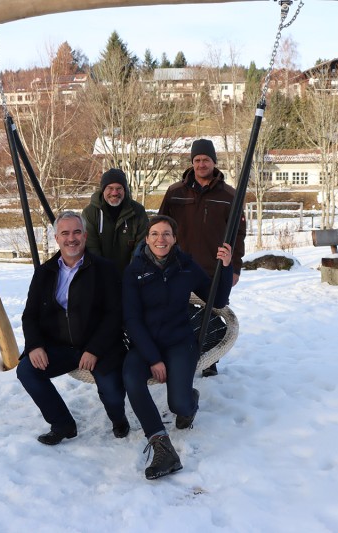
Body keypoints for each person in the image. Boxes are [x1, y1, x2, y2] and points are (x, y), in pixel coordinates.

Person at [122, 215, 233, 480]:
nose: (160, 239)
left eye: (166, 234)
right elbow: (132, 320)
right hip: (145, 344)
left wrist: (226, 267)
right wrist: (153, 358)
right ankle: (162, 446)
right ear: (147, 238)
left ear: (174, 238)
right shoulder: (134, 271)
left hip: (179, 342)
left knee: (180, 406)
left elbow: (217, 299)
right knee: (131, 377)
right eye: (155, 234)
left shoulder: (186, 266)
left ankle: (189, 400)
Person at [17, 211, 130, 445]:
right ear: (57, 238)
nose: (71, 238)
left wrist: (94, 349)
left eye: (77, 232)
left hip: (100, 346)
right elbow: (30, 315)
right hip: (61, 346)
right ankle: (62, 424)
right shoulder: (45, 273)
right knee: (27, 370)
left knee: (111, 391)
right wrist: (35, 345)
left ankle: (118, 418)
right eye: (65, 233)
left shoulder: (104, 269)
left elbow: (115, 314)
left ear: (85, 236)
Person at [158, 138, 246, 377]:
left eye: (206, 159)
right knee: (180, 312)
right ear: (192, 162)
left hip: (212, 268)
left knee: (213, 313)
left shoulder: (229, 195)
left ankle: (209, 359)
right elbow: (160, 227)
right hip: (178, 266)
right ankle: (180, 355)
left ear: (214, 162)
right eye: (197, 160)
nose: (201, 164)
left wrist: (234, 267)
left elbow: (238, 234)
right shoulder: (175, 192)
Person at [81, 168, 149, 274]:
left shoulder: (138, 211)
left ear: (124, 190)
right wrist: (104, 275)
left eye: (119, 188)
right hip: (100, 274)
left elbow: (141, 246)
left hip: (131, 273)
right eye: (110, 188)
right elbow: (91, 248)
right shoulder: (90, 213)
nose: (114, 192)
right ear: (103, 189)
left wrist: (131, 274)